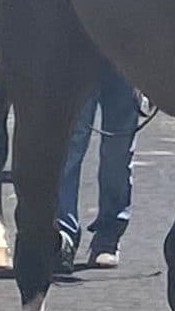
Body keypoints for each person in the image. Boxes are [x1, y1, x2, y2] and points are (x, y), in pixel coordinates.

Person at [54, 64, 139, 273]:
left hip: (125, 53)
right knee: (70, 145)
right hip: (80, 50)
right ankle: (64, 235)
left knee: (118, 150)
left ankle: (109, 236)